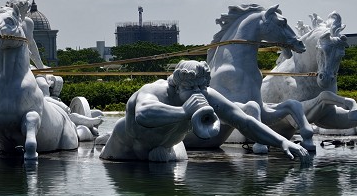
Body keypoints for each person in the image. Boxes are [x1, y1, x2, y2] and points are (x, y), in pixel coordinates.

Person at [99, 60, 310, 163]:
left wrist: (283, 142)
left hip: (165, 152)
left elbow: (244, 122)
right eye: (191, 89)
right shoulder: (156, 90)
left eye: (201, 87)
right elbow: (144, 114)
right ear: (176, 86)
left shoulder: (205, 94)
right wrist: (184, 112)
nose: (198, 93)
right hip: (123, 153)